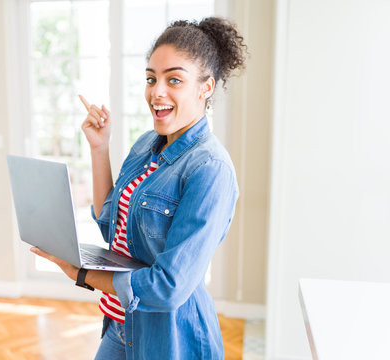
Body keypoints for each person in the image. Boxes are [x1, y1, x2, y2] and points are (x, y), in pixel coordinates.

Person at [31, 16, 247, 359]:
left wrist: (82, 273)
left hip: (171, 341)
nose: (156, 91)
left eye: (173, 79)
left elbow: (169, 287)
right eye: (151, 78)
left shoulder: (210, 170)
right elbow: (109, 225)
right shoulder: (148, 144)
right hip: (121, 325)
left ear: (206, 87)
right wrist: (99, 148)